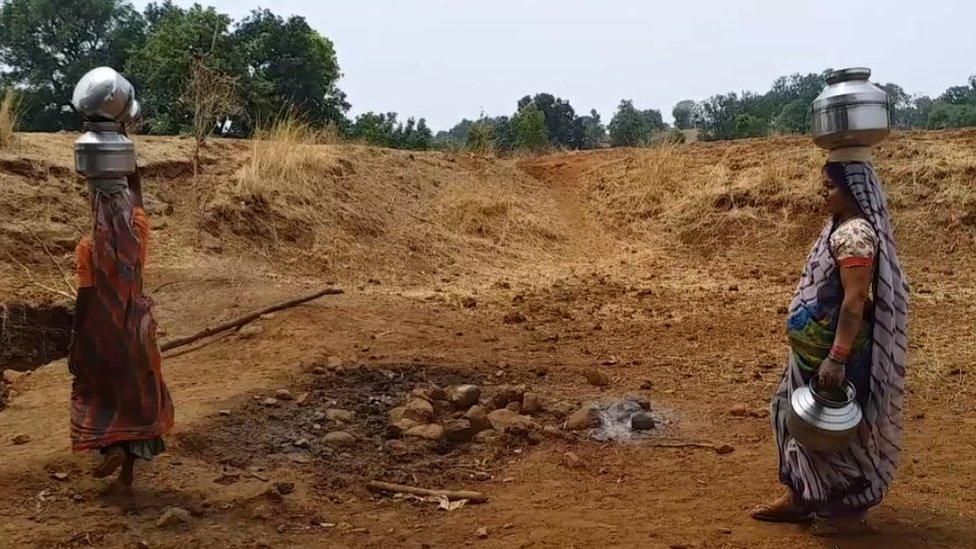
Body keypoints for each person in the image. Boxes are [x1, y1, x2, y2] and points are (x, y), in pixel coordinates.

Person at [751, 159, 908, 535]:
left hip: (834, 358)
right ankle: (801, 496)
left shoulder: (855, 235)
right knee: (786, 414)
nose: (824, 192)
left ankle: (846, 511)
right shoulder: (836, 229)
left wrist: (837, 357)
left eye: (831, 187)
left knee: (835, 434)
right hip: (808, 357)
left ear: (854, 192)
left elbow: (854, 301)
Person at [69, 168, 174, 488]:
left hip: (105, 330)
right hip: (140, 328)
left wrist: (77, 338)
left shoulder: (89, 247)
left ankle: (111, 448)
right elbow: (135, 199)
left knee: (103, 396)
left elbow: (85, 296)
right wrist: (125, 157)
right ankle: (128, 470)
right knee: (138, 397)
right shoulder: (139, 230)